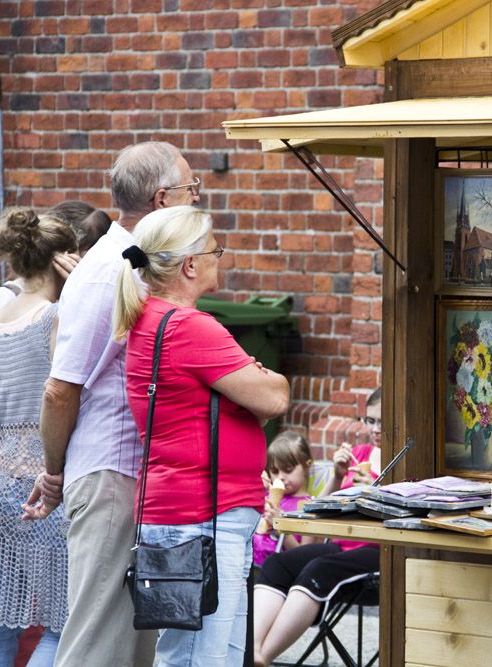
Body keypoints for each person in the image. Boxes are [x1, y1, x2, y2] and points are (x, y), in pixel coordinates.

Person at [23, 142, 200, 667]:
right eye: (194, 190)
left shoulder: (134, 263)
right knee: (97, 642)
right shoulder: (110, 270)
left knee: (129, 642)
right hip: (110, 471)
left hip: (127, 471)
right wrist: (53, 473)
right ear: (163, 198)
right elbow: (61, 387)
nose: (199, 201)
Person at [112, 205, 290, 666]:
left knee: (218, 655)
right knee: (199, 659)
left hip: (191, 512)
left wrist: (247, 386)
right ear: (190, 264)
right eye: (215, 250)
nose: (220, 258)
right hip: (203, 517)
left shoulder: (151, 318)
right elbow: (274, 399)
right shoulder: (192, 328)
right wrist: (255, 380)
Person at [0, 208, 78, 666]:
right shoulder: (55, 316)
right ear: (63, 259)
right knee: (65, 624)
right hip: (40, 486)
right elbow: (57, 395)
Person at [253, 388, 383, 667]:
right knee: (277, 563)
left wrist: (374, 491)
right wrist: (337, 477)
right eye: (370, 421)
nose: (375, 429)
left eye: (382, 422)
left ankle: (263, 658)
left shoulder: (406, 462)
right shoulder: (359, 454)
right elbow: (322, 509)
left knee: (319, 569)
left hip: (381, 550)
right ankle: (252, 650)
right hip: (339, 543)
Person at [253, 431, 320, 568]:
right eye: (275, 471)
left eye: (288, 470)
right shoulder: (265, 496)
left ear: (307, 466)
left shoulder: (309, 507)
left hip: (280, 572)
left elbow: (303, 556)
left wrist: (281, 527)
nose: (281, 477)